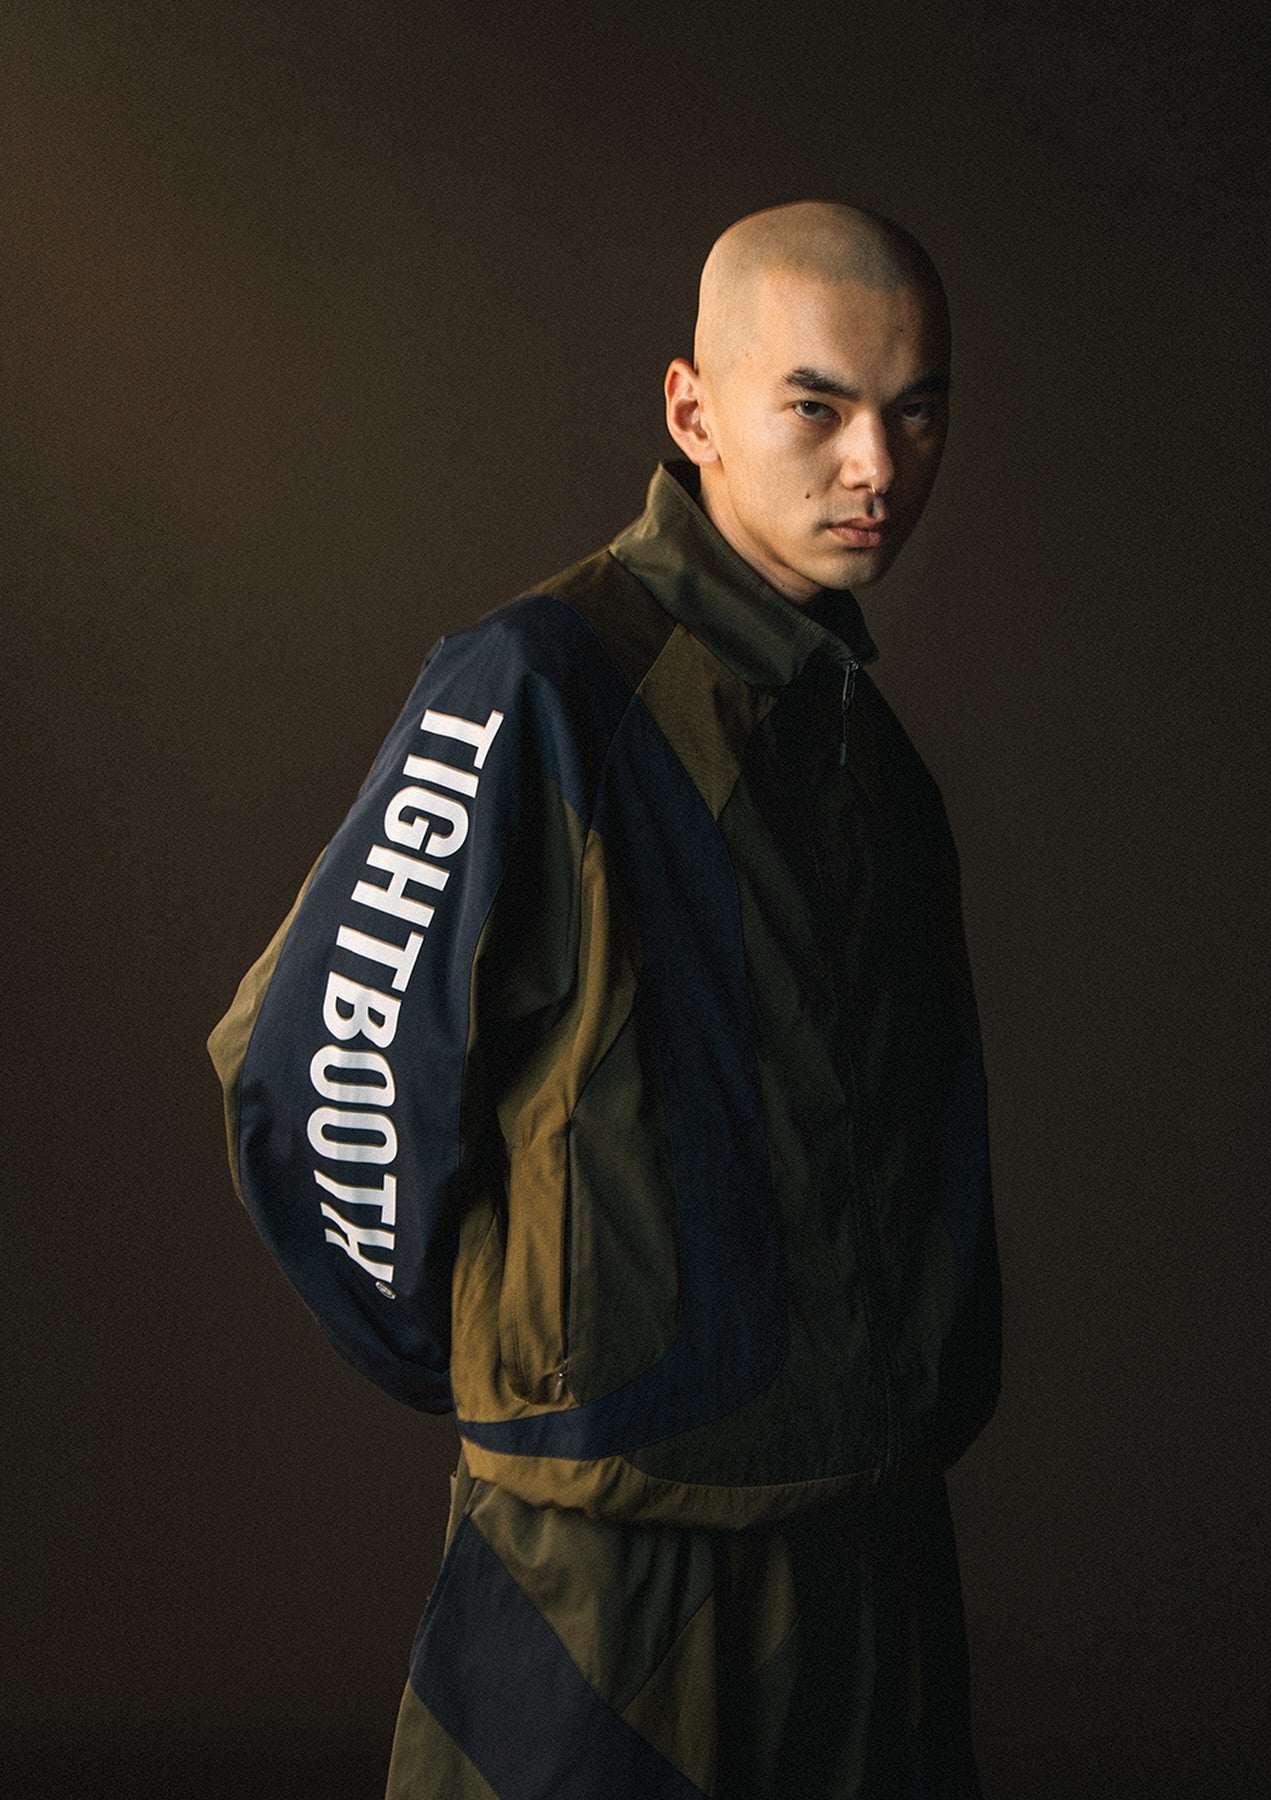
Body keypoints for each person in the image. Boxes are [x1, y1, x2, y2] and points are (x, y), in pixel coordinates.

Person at [210, 200, 1001, 1799]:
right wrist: (537, 1373)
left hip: (872, 1547)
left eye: (915, 412)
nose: (877, 465)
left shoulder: (867, 748)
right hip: (610, 1583)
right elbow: (310, 1070)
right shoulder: (543, 685)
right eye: (818, 407)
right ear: (692, 412)